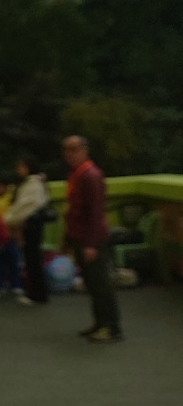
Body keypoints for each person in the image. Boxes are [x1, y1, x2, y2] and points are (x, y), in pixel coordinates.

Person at [61, 136, 122, 343]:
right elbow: (74, 211)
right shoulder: (76, 175)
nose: (69, 154)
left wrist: (91, 244)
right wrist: (68, 239)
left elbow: (96, 213)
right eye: (66, 150)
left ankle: (111, 326)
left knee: (101, 284)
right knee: (92, 283)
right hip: (79, 236)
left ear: (84, 150)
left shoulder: (91, 176)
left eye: (73, 149)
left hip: (92, 239)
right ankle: (100, 322)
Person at [8, 158, 52, 305]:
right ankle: (36, 292)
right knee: (31, 259)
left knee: (33, 259)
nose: (18, 170)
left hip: (31, 225)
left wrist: (10, 219)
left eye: (21, 167)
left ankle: (38, 293)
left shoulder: (33, 184)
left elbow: (25, 206)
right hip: (31, 224)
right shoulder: (34, 183)